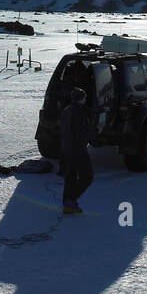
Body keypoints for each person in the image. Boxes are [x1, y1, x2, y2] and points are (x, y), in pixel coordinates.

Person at [59, 86, 94, 214]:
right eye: (85, 96)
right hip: (77, 149)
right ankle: (70, 199)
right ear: (81, 98)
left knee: (71, 176)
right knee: (87, 176)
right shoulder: (79, 113)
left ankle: (68, 204)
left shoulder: (67, 110)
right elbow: (81, 132)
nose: (86, 98)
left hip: (67, 148)